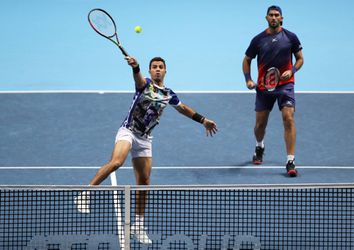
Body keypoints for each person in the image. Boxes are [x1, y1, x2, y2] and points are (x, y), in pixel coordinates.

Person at [75, 56, 218, 244]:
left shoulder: (168, 94)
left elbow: (183, 108)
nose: (157, 69)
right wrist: (136, 67)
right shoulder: (144, 85)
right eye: (154, 67)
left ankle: (138, 226)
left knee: (144, 182)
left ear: (165, 71)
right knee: (117, 162)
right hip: (128, 132)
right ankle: (85, 194)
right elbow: (138, 79)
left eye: (161, 67)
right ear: (150, 71)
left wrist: (203, 120)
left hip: (145, 139)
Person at [242, 5, 304, 177]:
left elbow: (300, 59)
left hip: (285, 86)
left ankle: (290, 161)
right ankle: (259, 145)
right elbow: (246, 60)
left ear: (282, 18)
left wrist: (292, 71)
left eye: (277, 15)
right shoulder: (258, 40)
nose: (274, 18)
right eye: (271, 15)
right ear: (266, 18)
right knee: (260, 125)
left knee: (288, 118)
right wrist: (248, 79)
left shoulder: (291, 37)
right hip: (264, 87)